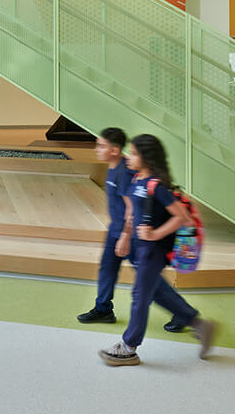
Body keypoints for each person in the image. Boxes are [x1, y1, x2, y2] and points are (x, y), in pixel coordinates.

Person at [98, 134, 216, 367]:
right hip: (141, 249)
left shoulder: (156, 185)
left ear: (147, 158)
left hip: (154, 251)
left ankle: (129, 348)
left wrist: (155, 234)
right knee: (156, 292)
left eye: (133, 153)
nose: (129, 157)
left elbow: (182, 218)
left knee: (139, 296)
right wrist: (127, 235)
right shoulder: (138, 180)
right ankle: (200, 325)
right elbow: (133, 211)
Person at [77, 127, 203, 331]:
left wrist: (126, 237)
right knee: (107, 268)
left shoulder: (127, 174)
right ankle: (103, 308)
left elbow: (131, 209)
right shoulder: (113, 168)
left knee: (151, 285)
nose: (96, 149)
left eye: (101, 146)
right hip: (116, 230)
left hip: (132, 236)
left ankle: (183, 314)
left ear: (115, 150)